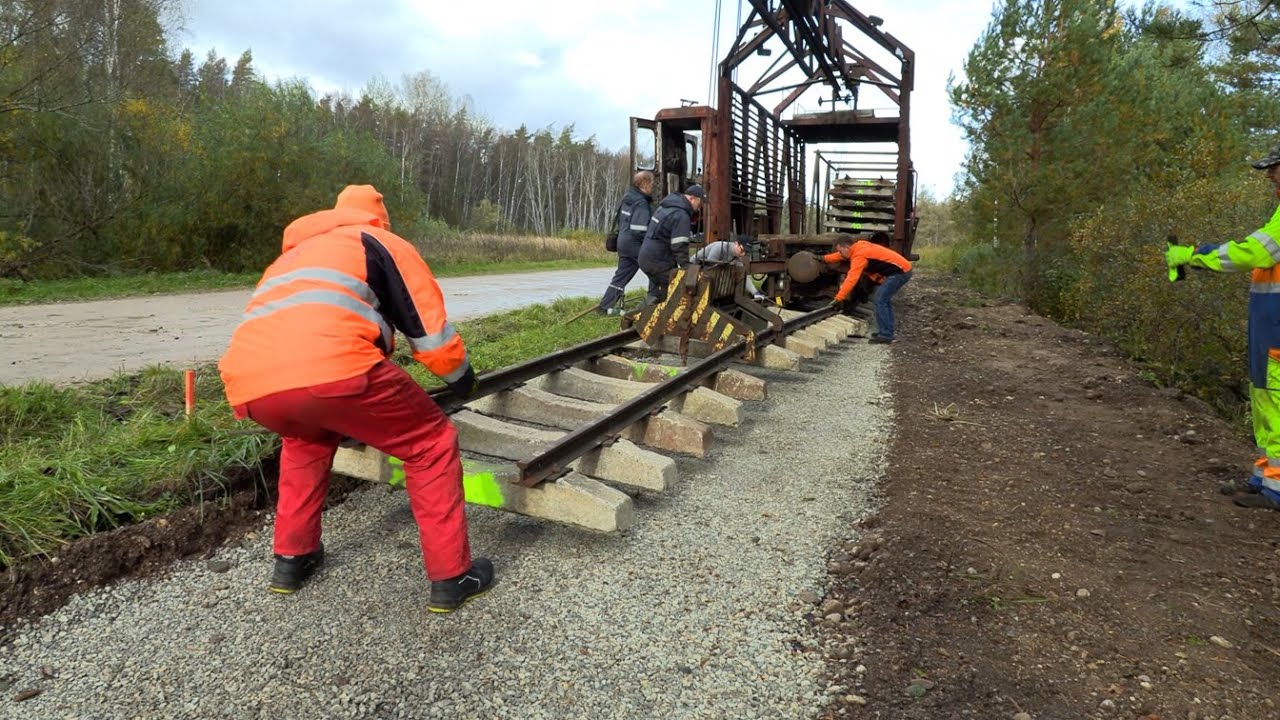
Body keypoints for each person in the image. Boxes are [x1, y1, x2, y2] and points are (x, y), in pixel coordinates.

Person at [218, 184, 494, 612]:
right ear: (379, 219)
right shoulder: (379, 240)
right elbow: (427, 329)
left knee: (305, 440)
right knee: (430, 444)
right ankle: (452, 576)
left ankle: (293, 559)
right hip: (336, 369)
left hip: (250, 384)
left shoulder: (293, 254)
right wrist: (462, 378)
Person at [1166, 143, 1280, 511]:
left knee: (1275, 402)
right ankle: (1266, 480)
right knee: (1265, 401)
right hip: (1269, 321)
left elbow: (1251, 253)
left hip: (1276, 324)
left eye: (1275, 168)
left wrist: (1195, 255)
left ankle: (1276, 489)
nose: (1270, 176)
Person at [821, 233, 913, 343]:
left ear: (846, 247)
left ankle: (886, 335)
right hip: (902, 269)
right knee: (883, 300)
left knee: (880, 300)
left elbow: (851, 279)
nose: (839, 254)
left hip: (900, 272)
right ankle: (886, 331)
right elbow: (840, 256)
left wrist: (838, 298)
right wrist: (824, 259)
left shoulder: (859, 256)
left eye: (840, 251)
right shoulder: (857, 247)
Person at [597, 171, 654, 314]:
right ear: (644, 184)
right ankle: (654, 304)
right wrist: (650, 243)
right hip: (635, 246)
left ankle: (604, 307)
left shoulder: (628, 198)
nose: (653, 186)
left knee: (621, 277)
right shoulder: (641, 202)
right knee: (656, 271)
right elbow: (639, 229)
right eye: (651, 183)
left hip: (623, 243)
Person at [638, 184, 706, 305]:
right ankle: (642, 317)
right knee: (677, 289)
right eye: (699, 203)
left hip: (648, 258)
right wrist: (687, 269)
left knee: (656, 295)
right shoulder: (681, 215)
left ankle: (643, 315)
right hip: (658, 262)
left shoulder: (666, 207)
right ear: (691, 198)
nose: (699, 208)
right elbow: (679, 246)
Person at [692, 237, 769, 301]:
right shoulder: (720, 248)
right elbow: (709, 269)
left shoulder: (736, 257)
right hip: (693, 271)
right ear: (736, 244)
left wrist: (755, 292)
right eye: (742, 250)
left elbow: (743, 275)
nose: (743, 254)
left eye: (745, 252)